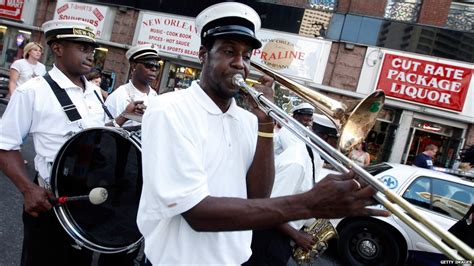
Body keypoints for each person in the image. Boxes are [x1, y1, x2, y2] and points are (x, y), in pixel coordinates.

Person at [136, 2, 389, 265]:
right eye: (228, 51)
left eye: (246, 56)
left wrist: (265, 124)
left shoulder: (247, 120)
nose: (239, 64)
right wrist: (308, 203)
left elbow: (257, 197)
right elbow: (198, 213)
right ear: (203, 54)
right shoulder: (170, 110)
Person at [0, 19, 139, 266]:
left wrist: (123, 119)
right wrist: (28, 189)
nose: (90, 55)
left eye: (92, 50)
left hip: (90, 198)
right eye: (82, 48)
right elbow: (4, 145)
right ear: (58, 48)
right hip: (50, 200)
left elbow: (97, 134)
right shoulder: (31, 91)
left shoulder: (95, 91)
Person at [105, 44, 160, 128]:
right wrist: (125, 116)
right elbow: (102, 132)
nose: (154, 69)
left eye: (157, 66)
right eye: (149, 65)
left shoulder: (155, 96)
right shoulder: (118, 96)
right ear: (134, 66)